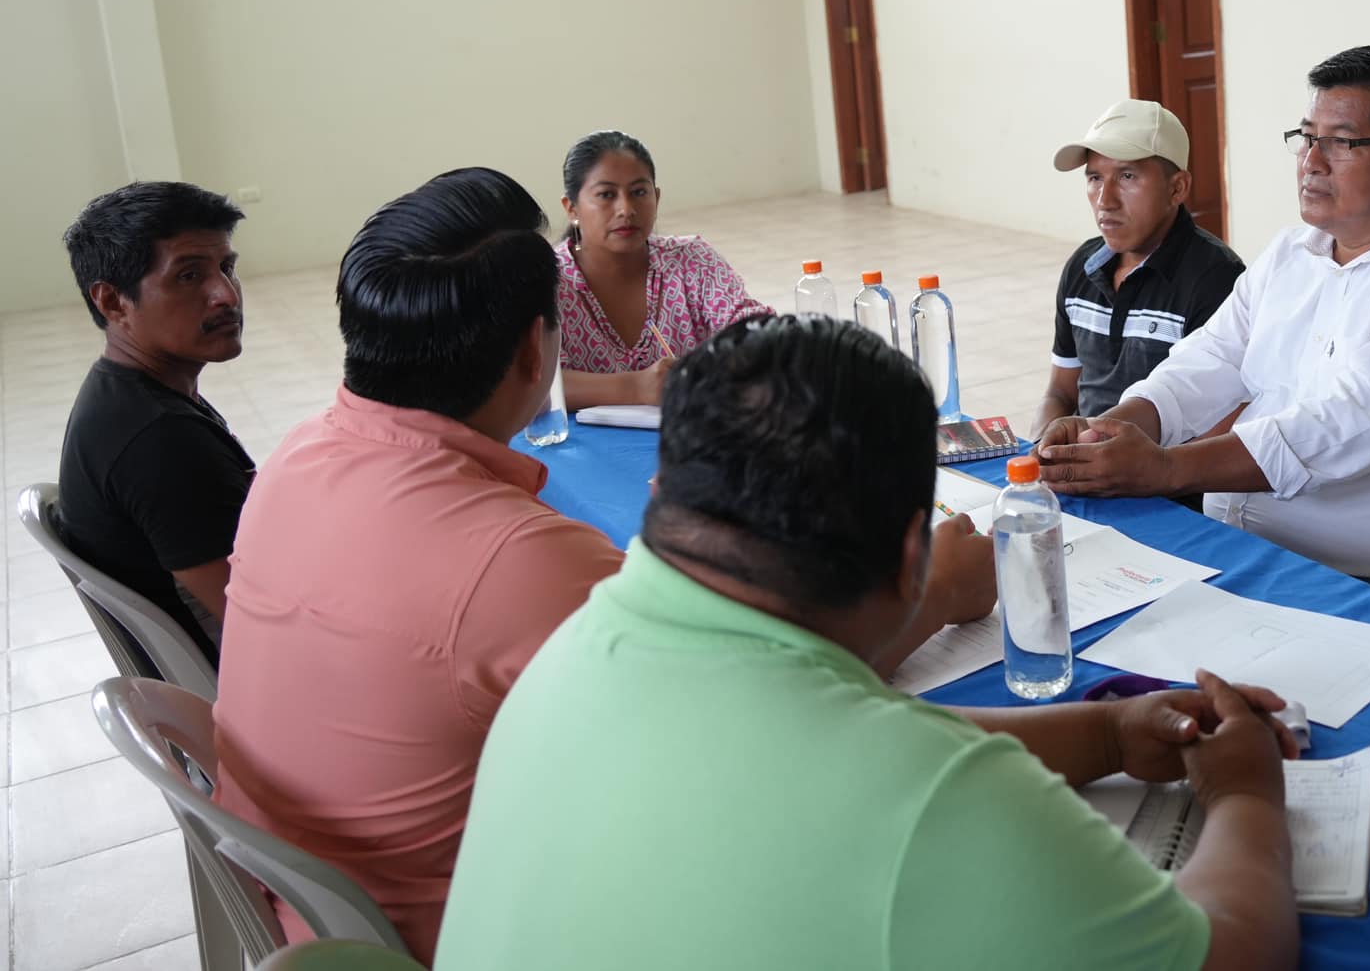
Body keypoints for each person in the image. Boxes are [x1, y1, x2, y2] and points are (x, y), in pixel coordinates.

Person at [212, 170, 994, 961]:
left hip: (313, 912)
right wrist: (935, 595)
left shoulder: (295, 457)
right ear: (536, 350)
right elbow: (769, 735)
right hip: (457, 938)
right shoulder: (518, 563)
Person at [437, 315, 1300, 971]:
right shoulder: (943, 803)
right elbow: (1229, 954)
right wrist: (1247, 795)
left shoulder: (574, 652)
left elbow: (833, 754)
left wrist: (1108, 734)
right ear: (911, 558)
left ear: (664, 490)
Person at [1038, 45, 1370, 608]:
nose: (1312, 162)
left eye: (1341, 143)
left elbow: (1341, 427)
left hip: (1362, 582)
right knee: (1056, 607)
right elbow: (1209, 359)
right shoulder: (1293, 252)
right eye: (1307, 137)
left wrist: (1165, 469)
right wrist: (1107, 432)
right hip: (1231, 546)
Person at [55, 182, 252, 660]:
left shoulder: (129, 396)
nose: (226, 295)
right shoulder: (161, 442)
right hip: (243, 680)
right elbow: (263, 623)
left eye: (227, 268)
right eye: (188, 276)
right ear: (112, 302)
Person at [1030, 98, 1244, 442]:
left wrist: (1137, 466)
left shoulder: (1216, 279)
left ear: (1177, 188)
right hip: (1085, 460)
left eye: (1127, 176)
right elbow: (1060, 392)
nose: (1105, 200)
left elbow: (1222, 422)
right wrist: (1043, 448)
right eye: (1095, 178)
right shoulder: (1081, 268)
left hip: (1162, 470)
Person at [552, 130, 771, 410]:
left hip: (692, 429)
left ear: (656, 197)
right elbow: (533, 384)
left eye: (639, 192)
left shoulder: (691, 259)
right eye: (606, 195)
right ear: (571, 208)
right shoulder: (549, 280)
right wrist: (636, 387)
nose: (626, 209)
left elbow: (753, 329)